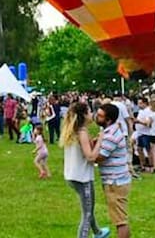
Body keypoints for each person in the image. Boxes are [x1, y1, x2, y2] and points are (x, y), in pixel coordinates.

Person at [61, 102, 109, 238]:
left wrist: (93, 142)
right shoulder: (81, 132)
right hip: (82, 178)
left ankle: (98, 232)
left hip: (72, 176)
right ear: (83, 115)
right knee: (87, 213)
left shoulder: (74, 130)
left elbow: (83, 149)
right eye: (89, 112)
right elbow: (90, 156)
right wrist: (100, 139)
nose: (91, 115)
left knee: (88, 207)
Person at [94, 103, 130, 238]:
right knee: (121, 218)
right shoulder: (110, 131)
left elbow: (99, 157)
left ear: (108, 119)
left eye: (100, 116)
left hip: (115, 182)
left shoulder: (111, 135)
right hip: (118, 180)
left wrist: (86, 155)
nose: (97, 118)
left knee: (120, 220)